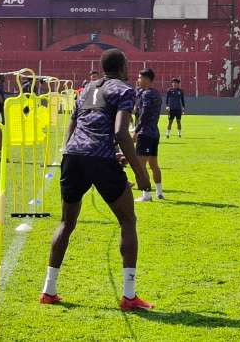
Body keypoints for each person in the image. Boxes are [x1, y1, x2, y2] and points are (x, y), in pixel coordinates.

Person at [40, 49, 154, 312]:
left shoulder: (87, 89)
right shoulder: (124, 89)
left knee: (66, 222)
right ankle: (129, 296)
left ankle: (49, 290)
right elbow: (121, 133)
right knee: (128, 220)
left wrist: (74, 152)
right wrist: (140, 172)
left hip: (73, 156)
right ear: (123, 66)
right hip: (99, 158)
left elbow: (75, 124)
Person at [133, 69, 164, 202]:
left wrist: (136, 131)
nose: (138, 80)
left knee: (141, 165)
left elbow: (144, 113)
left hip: (145, 133)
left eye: (140, 78)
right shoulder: (155, 93)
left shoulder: (146, 94)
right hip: (154, 133)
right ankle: (159, 192)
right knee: (154, 165)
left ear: (146, 79)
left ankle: (146, 195)